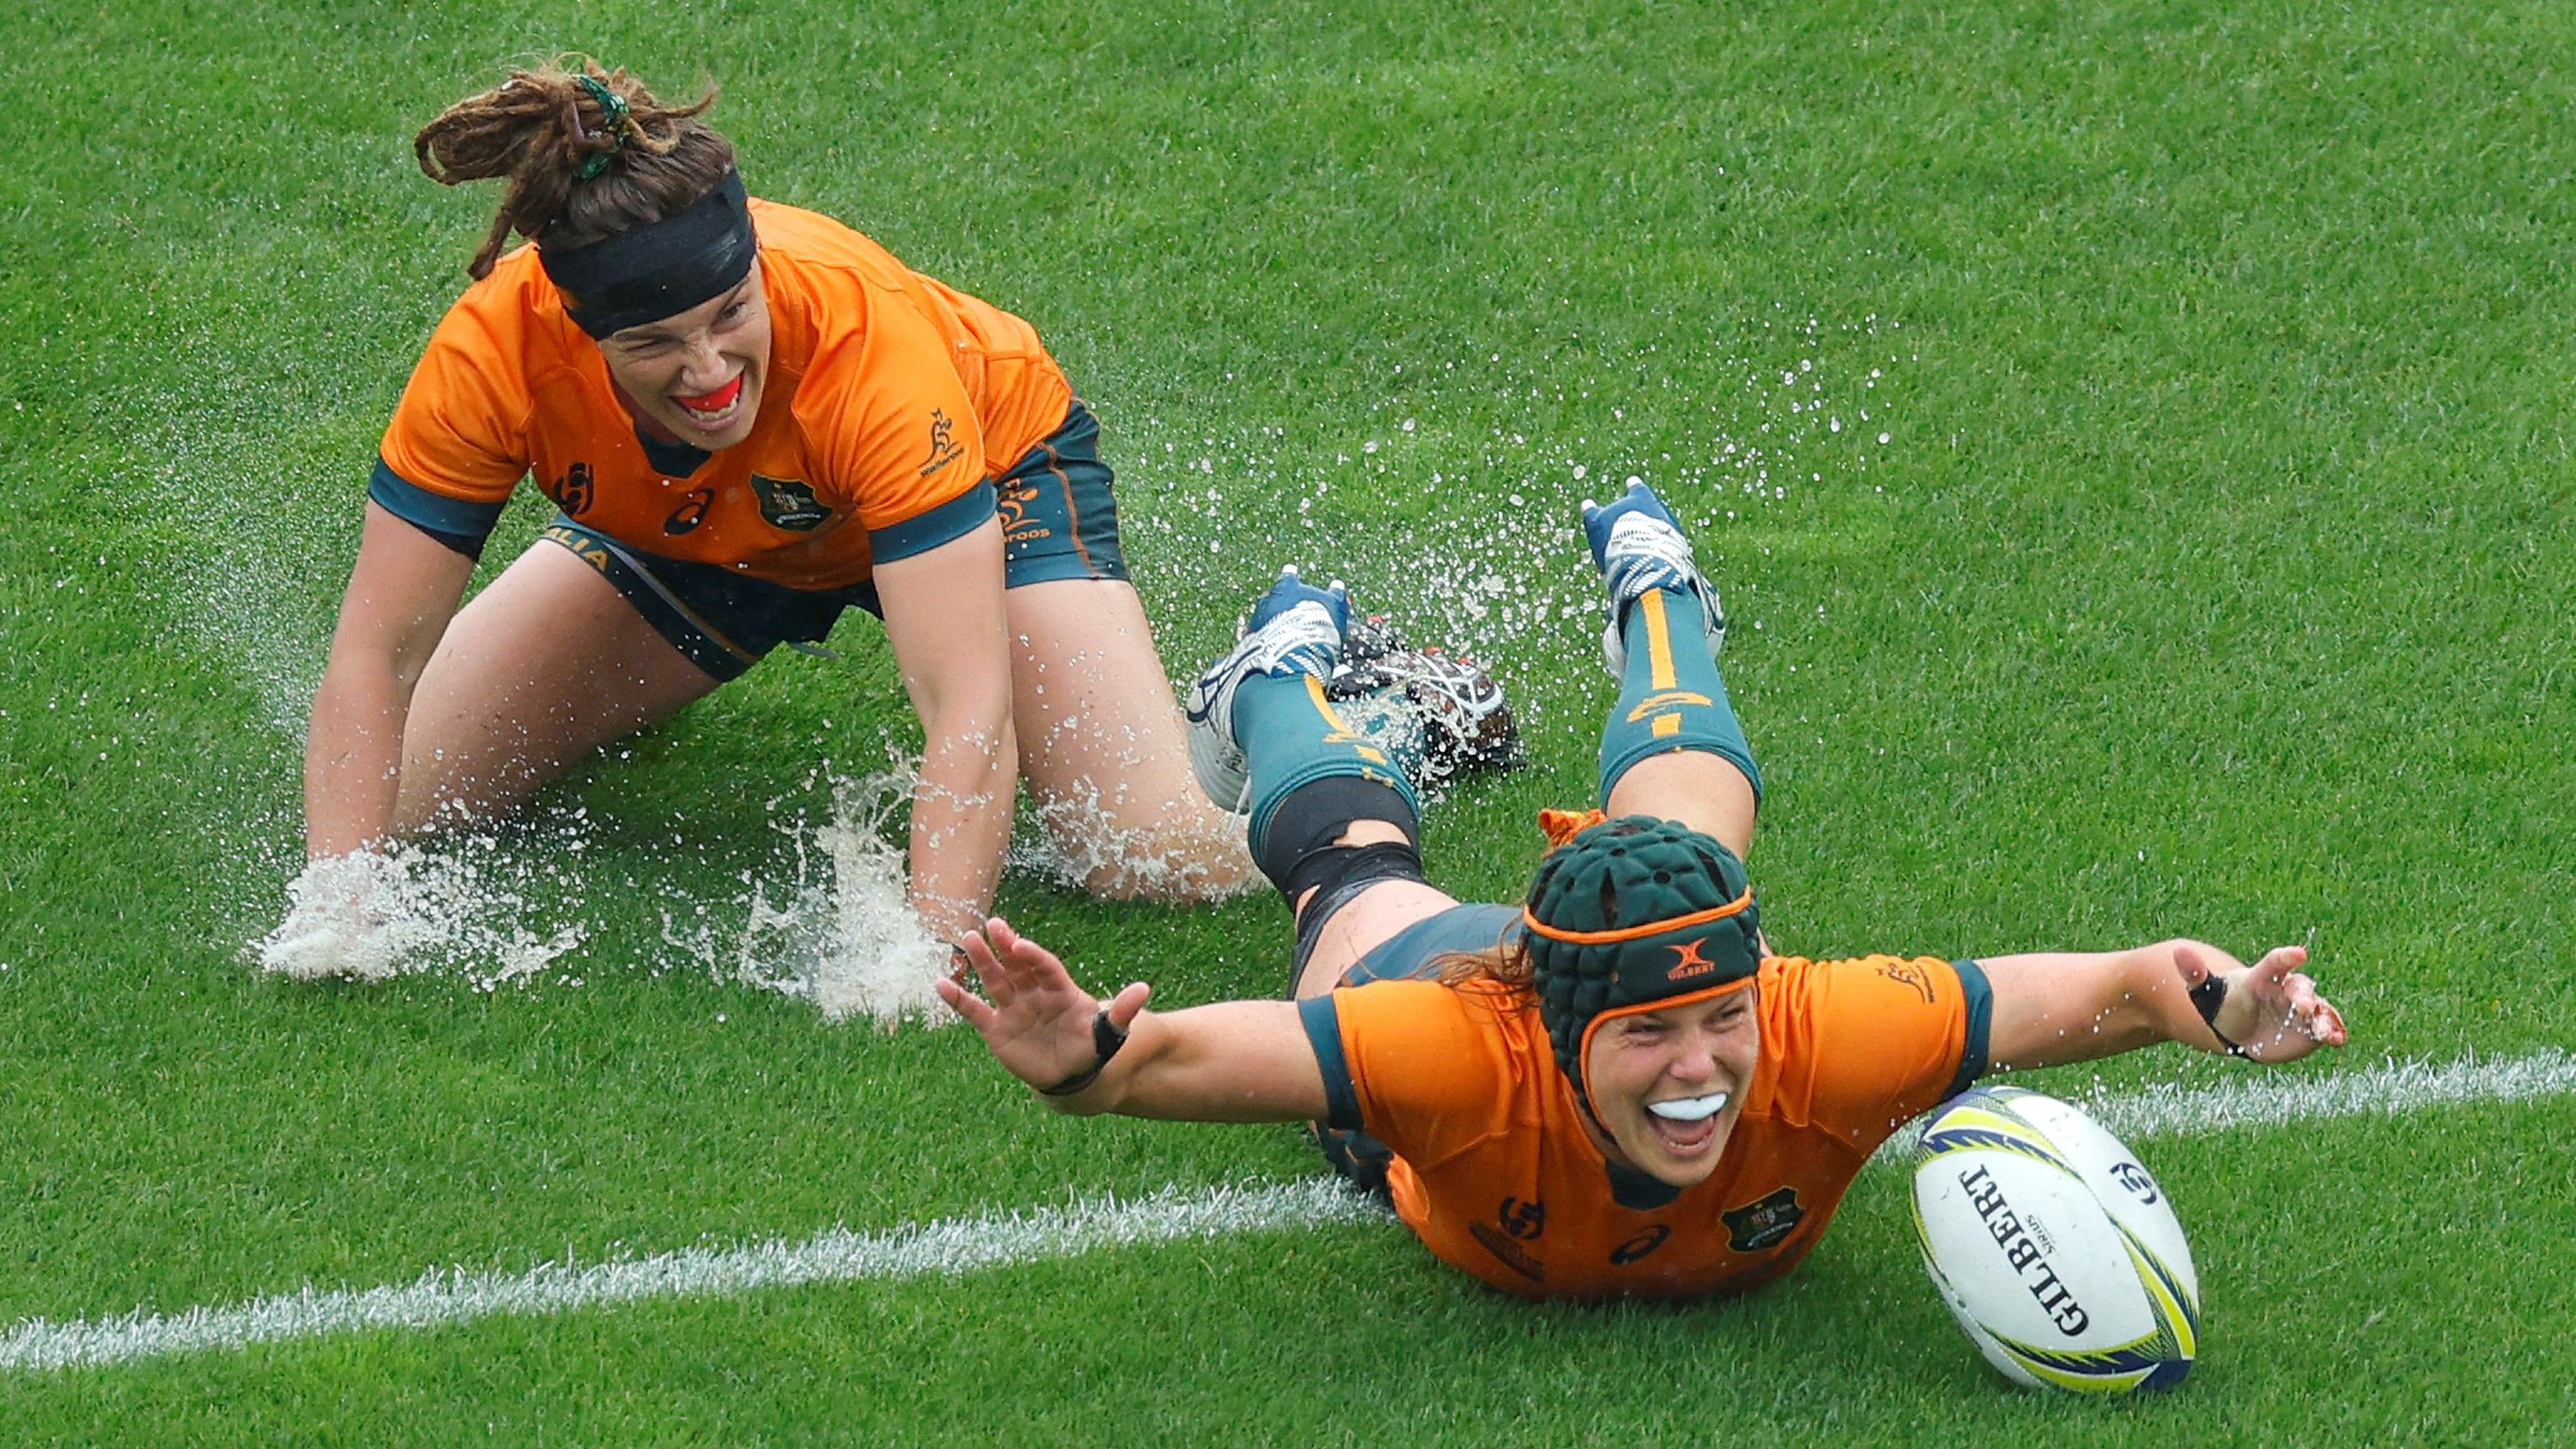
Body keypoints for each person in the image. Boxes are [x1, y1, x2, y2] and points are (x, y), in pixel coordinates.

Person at [937, 481, 2349, 1300]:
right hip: (1442, 966)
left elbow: (2122, 980)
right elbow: (1184, 1052)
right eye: (1653, 1035)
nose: (1701, 1068)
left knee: (1701, 853)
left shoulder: (1817, 1030)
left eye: (1720, 1017)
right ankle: (1278, 673)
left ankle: (1659, 584)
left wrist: (2229, 1008)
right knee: (1350, 873)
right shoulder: (1450, 1050)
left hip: (1633, 971)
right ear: (1556, 1029)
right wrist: (1091, 1062)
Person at [299, 57, 1255, 959]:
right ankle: (621, 687)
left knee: (1147, 855)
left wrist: (921, 957)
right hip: (706, 529)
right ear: (584, 336)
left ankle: (1326, 688)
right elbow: (376, 655)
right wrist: (340, 915)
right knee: (407, 803)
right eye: (657, 346)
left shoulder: (865, 346)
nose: (711, 374)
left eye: (730, 313)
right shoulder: (493, 354)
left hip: (993, 475)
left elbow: (965, 705)